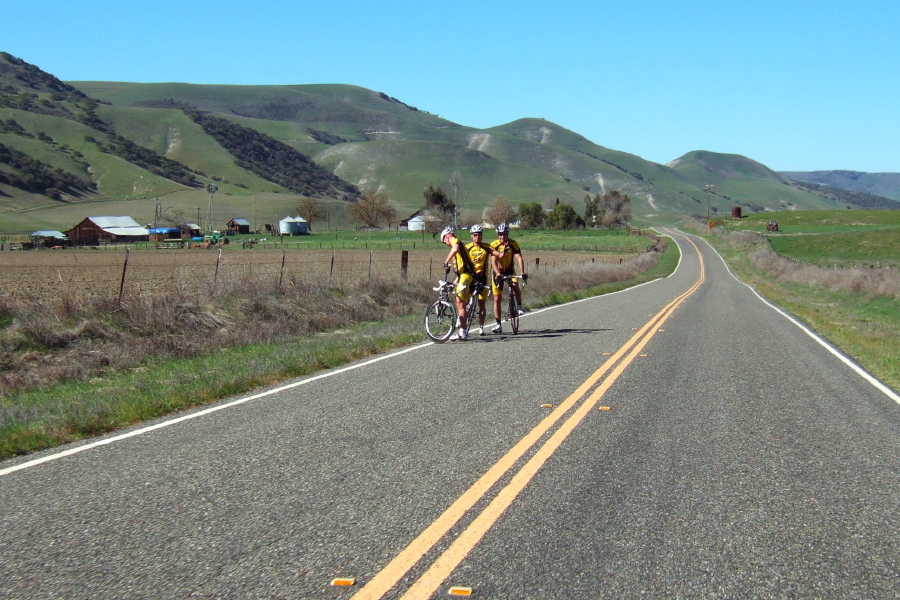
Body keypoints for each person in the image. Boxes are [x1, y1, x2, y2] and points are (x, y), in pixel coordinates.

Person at [464, 224, 506, 336]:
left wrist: (502, 253)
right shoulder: (467, 248)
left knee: (482, 303)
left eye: (479, 235)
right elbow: (458, 258)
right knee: (466, 301)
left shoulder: (486, 247)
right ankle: (463, 323)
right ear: (472, 236)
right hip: (471, 278)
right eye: (475, 235)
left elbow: (497, 254)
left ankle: (481, 327)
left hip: (483, 278)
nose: (477, 237)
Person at [489, 222, 527, 333]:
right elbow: (493, 261)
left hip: (510, 270)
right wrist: (498, 274)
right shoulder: (494, 245)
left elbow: (519, 257)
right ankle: (498, 325)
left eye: (504, 234)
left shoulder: (513, 243)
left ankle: (519, 306)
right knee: (497, 298)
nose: (502, 237)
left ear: (507, 234)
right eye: (500, 234)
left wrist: (523, 271)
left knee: (515, 284)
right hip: (498, 272)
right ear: (497, 235)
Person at [440, 225, 476, 340]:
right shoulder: (459, 250)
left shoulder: (454, 240)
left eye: (444, 241)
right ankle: (463, 324)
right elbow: (460, 274)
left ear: (447, 236)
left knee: (459, 301)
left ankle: (463, 331)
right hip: (466, 275)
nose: (446, 243)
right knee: (459, 301)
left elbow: (454, 248)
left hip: (467, 274)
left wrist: (446, 262)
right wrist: (452, 285)